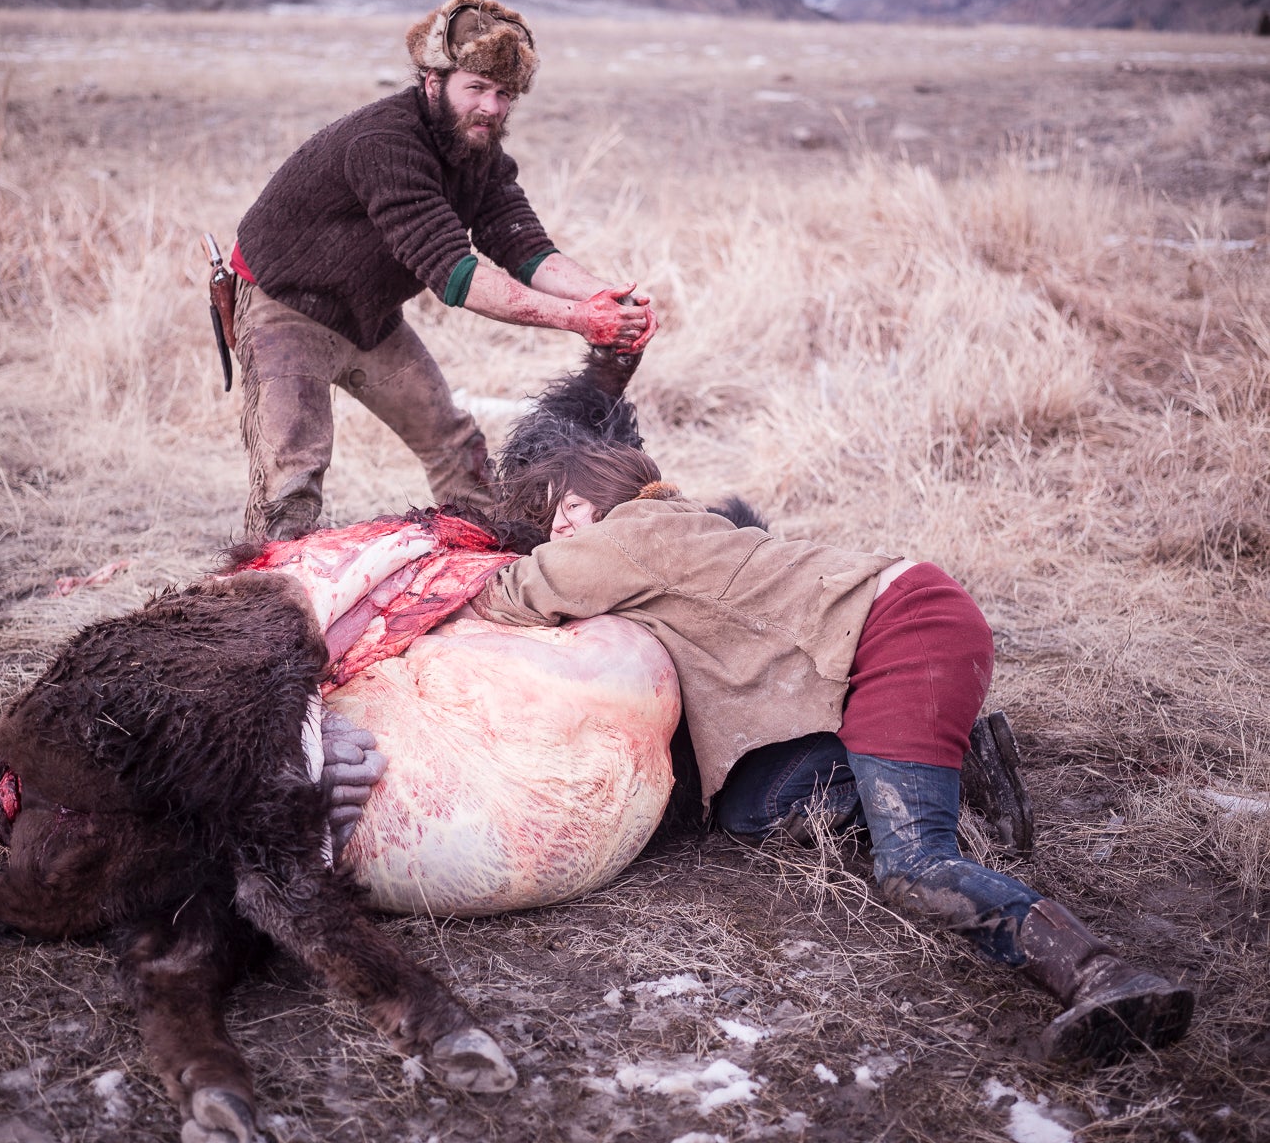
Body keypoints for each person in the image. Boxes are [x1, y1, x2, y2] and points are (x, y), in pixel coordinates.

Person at [465, 441, 1194, 1065]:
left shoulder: (631, 535)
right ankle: (960, 761)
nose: (558, 530)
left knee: (914, 866)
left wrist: (425, 579)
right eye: (549, 521)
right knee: (755, 810)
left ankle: (1102, 976)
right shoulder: (669, 534)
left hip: (902, 631)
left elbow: (511, 595)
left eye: (567, 509)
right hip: (894, 635)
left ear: (613, 493)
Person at [227, 0, 657, 541]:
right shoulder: (382, 142)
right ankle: (267, 600)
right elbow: (456, 274)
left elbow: (526, 249)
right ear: (433, 81)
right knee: (293, 478)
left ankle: (486, 567)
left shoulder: (480, 157)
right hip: (285, 306)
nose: (491, 107)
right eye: (475, 87)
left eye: (504, 94)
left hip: (369, 316)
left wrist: (610, 299)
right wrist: (579, 320)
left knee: (457, 448)